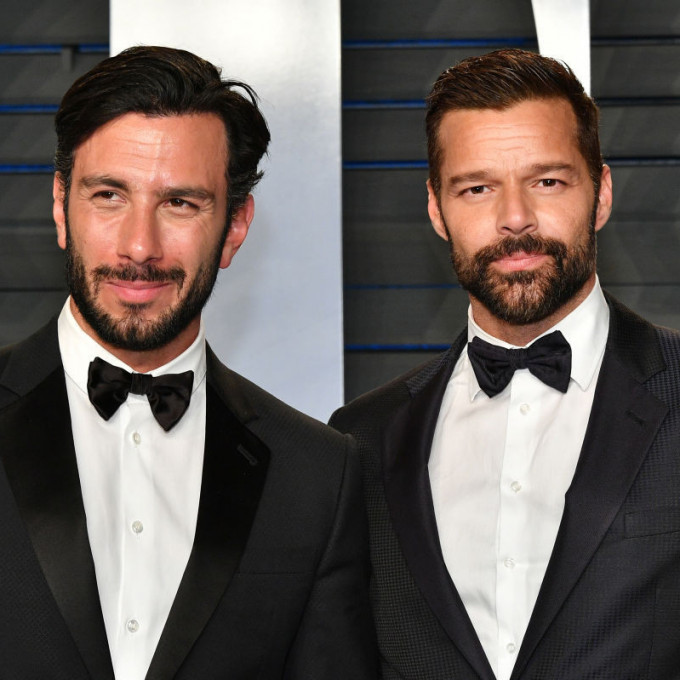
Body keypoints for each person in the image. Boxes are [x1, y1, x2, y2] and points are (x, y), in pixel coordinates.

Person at [0, 45, 376, 680]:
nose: (139, 246)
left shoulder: (316, 475)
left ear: (235, 227)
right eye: (109, 195)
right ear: (62, 206)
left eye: (180, 203)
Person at [330, 48, 680, 679]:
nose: (514, 218)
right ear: (437, 210)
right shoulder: (362, 439)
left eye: (547, 182)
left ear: (601, 194)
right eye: (478, 188)